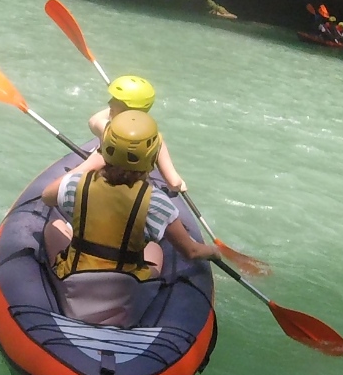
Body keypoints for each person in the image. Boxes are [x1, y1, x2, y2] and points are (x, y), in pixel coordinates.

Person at [46, 109, 218, 282]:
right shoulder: (156, 201)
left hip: (75, 277)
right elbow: (191, 251)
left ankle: (55, 277)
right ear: (152, 157)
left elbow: (47, 196)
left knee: (56, 225)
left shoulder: (77, 184)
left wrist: (89, 164)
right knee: (154, 248)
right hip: (124, 287)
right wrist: (214, 251)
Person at [81, 74, 187, 191]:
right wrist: (181, 185)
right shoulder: (155, 140)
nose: (109, 102)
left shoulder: (107, 129)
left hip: (104, 185)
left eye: (116, 100)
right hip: (135, 194)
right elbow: (174, 182)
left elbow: (93, 121)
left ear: (128, 108)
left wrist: (117, 113)